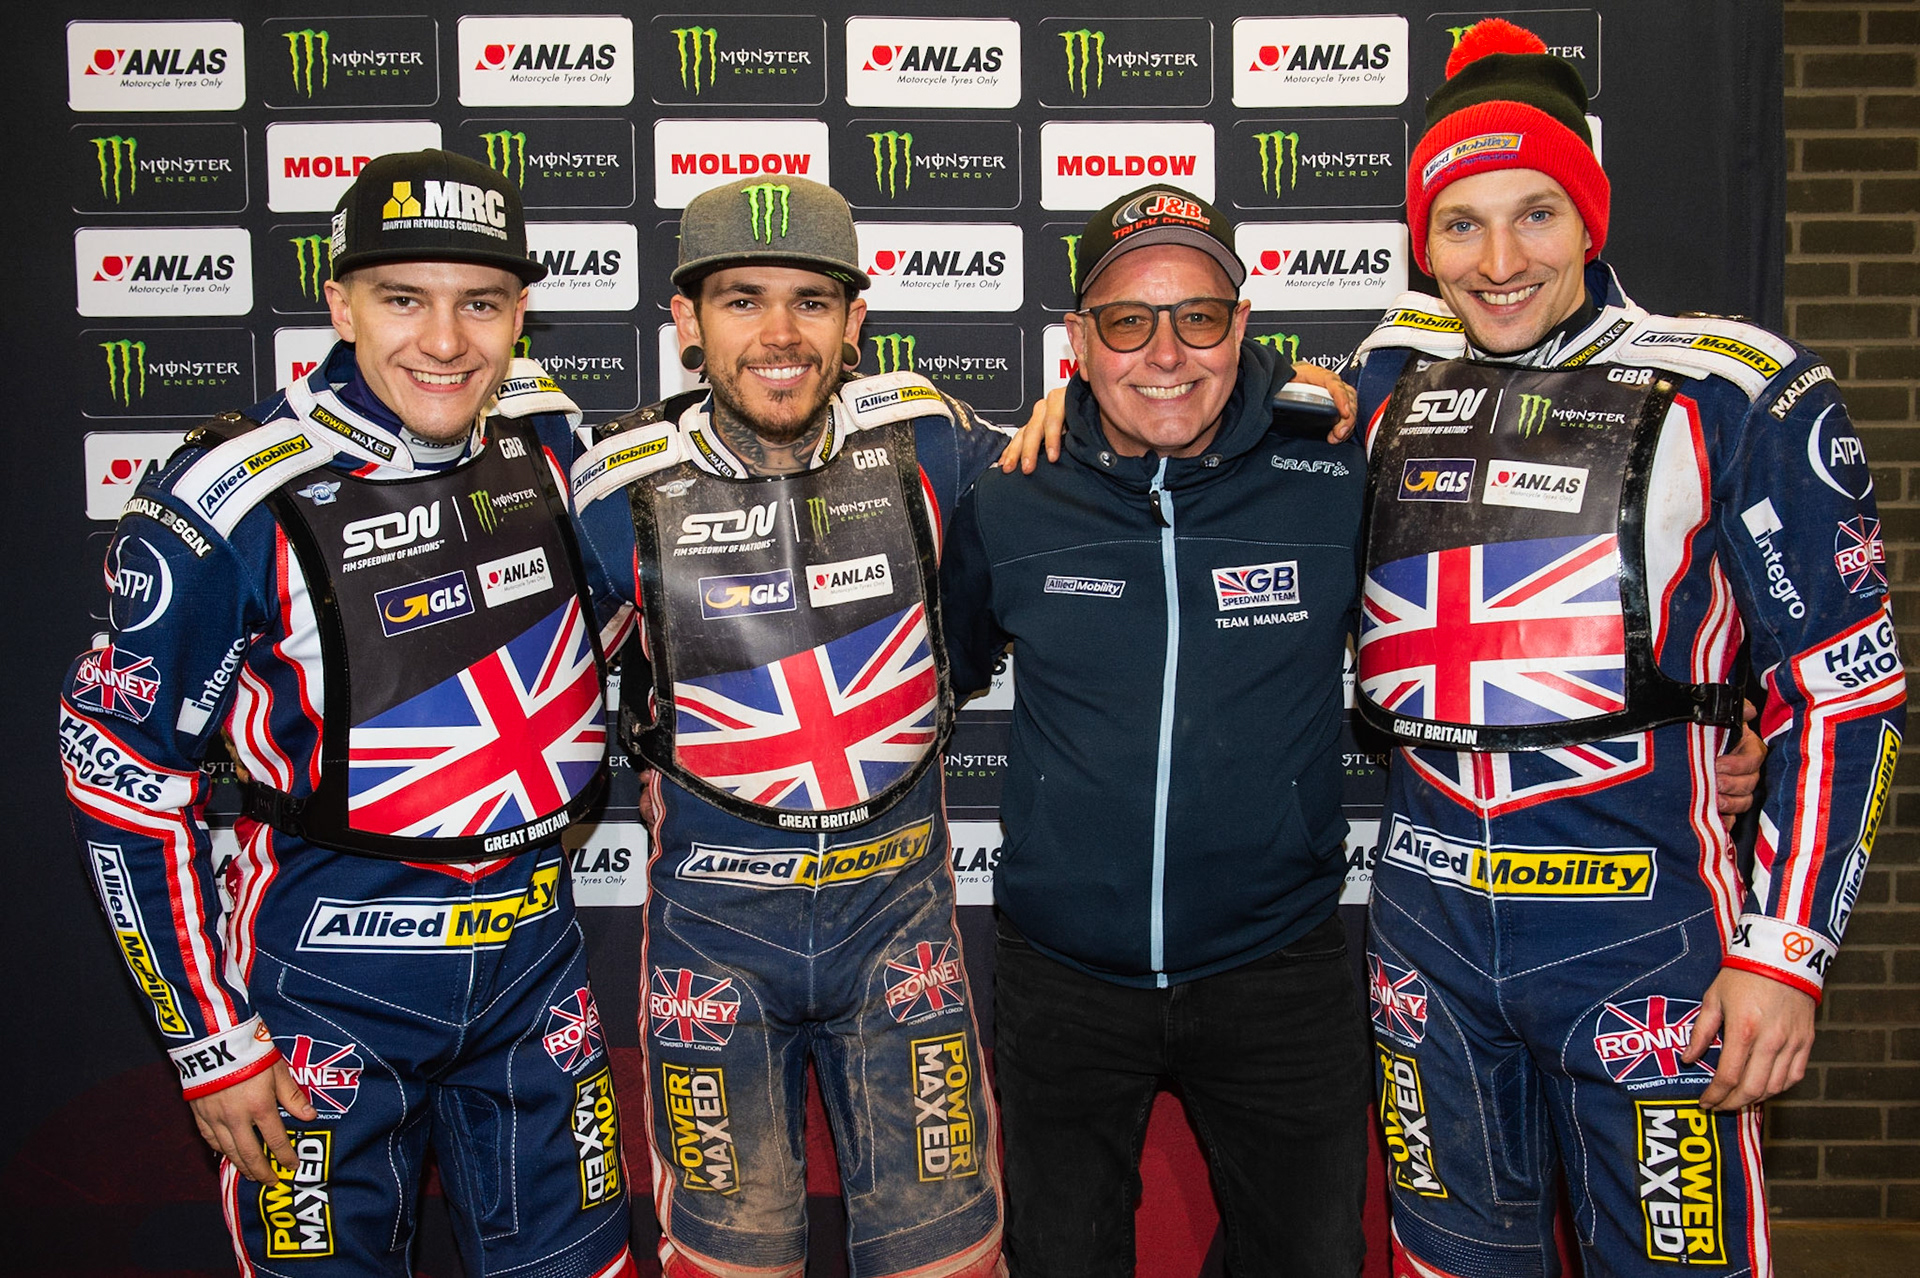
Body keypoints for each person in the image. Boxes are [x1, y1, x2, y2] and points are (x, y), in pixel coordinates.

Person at [1347, 21, 1905, 1278]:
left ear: (1590, 217)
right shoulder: (1381, 375)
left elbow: (1845, 690)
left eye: (1536, 213)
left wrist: (1786, 956)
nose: (1498, 262)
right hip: (1425, 936)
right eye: (1461, 223)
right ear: (1420, 240)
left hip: (1646, 945)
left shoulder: (1738, 386)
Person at [60, 149, 637, 1277]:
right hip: (325, 988)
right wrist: (208, 1044)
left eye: (480, 304)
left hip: (534, 969)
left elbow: (631, 610)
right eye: (403, 300)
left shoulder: (550, 437)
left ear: (521, 313)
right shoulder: (227, 496)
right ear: (339, 303)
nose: (444, 342)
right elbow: (116, 772)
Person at [565, 175, 1007, 1278]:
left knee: (951, 1263)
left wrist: (1293, 401)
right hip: (715, 949)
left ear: (856, 323)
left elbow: (1110, 460)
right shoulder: (605, 488)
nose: (778, 334)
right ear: (684, 321)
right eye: (740, 299)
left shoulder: (931, 441)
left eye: (812, 301)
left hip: (899, 932)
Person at [937, 185, 1375, 1277]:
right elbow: (939, 671)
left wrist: (1722, 728)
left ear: (1244, 327)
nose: (1167, 354)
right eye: (1128, 321)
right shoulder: (1011, 494)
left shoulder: (1336, 474)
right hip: (1065, 977)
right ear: (1078, 344)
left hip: (1280, 964)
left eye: (1201, 317)